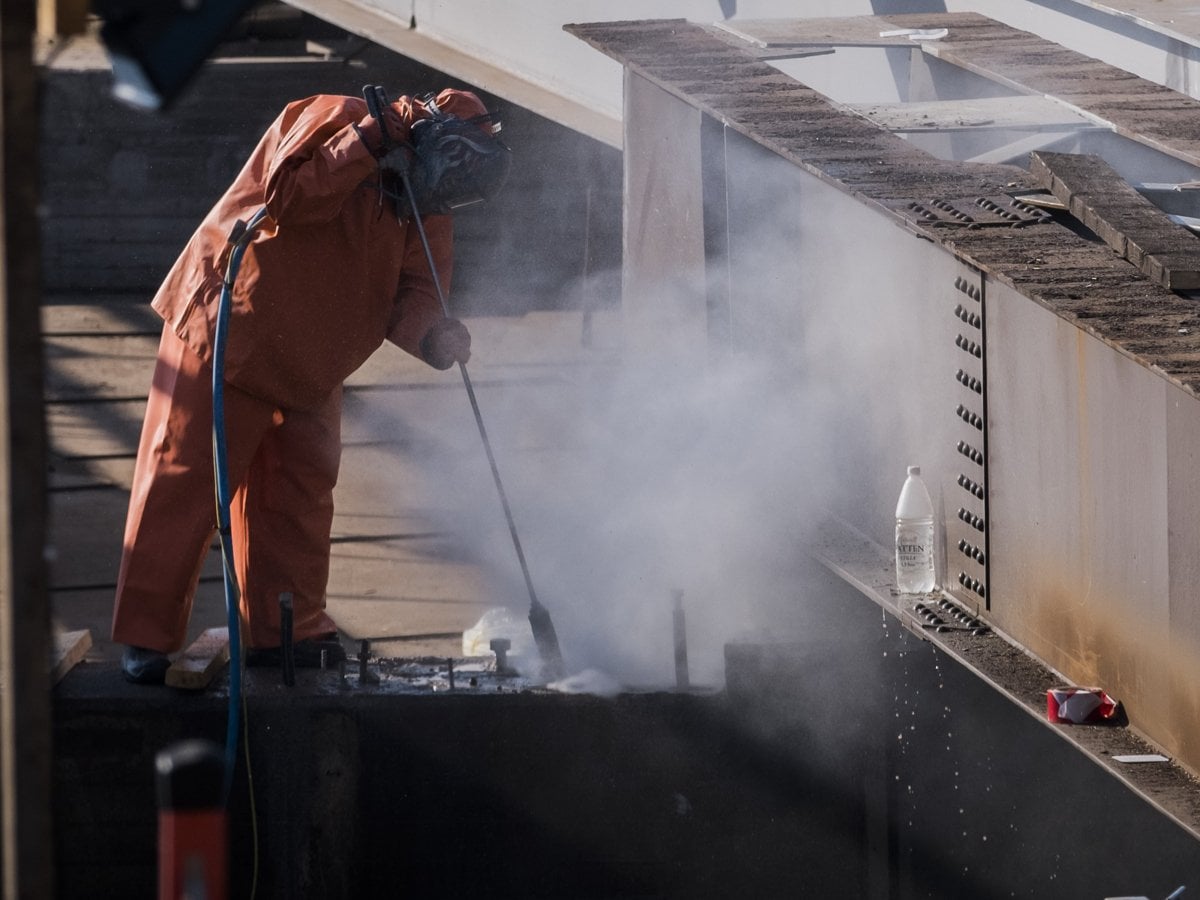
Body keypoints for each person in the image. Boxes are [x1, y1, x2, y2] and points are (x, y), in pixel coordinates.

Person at [112, 87, 511, 683]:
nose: (442, 197)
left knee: (298, 496)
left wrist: (434, 335)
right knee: (185, 483)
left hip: (313, 358)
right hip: (231, 331)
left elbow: (417, 291)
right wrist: (367, 141)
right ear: (431, 138)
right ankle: (146, 635)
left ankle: (285, 631)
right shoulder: (337, 117)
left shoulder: (426, 200)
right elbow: (287, 197)